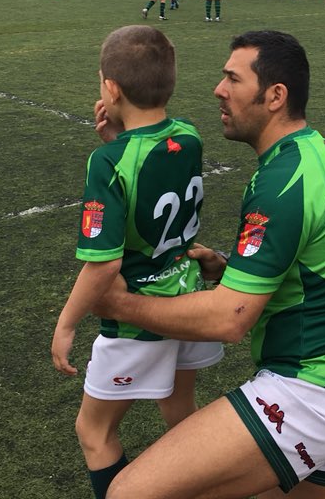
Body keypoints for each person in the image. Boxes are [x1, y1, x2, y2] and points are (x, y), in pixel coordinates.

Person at [93, 29, 325, 499]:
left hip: (310, 392)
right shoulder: (318, 152)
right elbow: (311, 259)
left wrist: (116, 303)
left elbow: (230, 318)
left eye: (233, 78)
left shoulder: (283, 183)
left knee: (128, 493)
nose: (218, 89)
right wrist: (227, 265)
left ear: (274, 96)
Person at [51, 25, 223, 499]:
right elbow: (154, 160)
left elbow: (103, 265)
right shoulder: (189, 135)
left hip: (140, 316)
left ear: (111, 87)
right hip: (188, 298)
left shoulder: (107, 163)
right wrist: (117, 134)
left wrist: (66, 324)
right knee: (179, 410)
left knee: (94, 432)